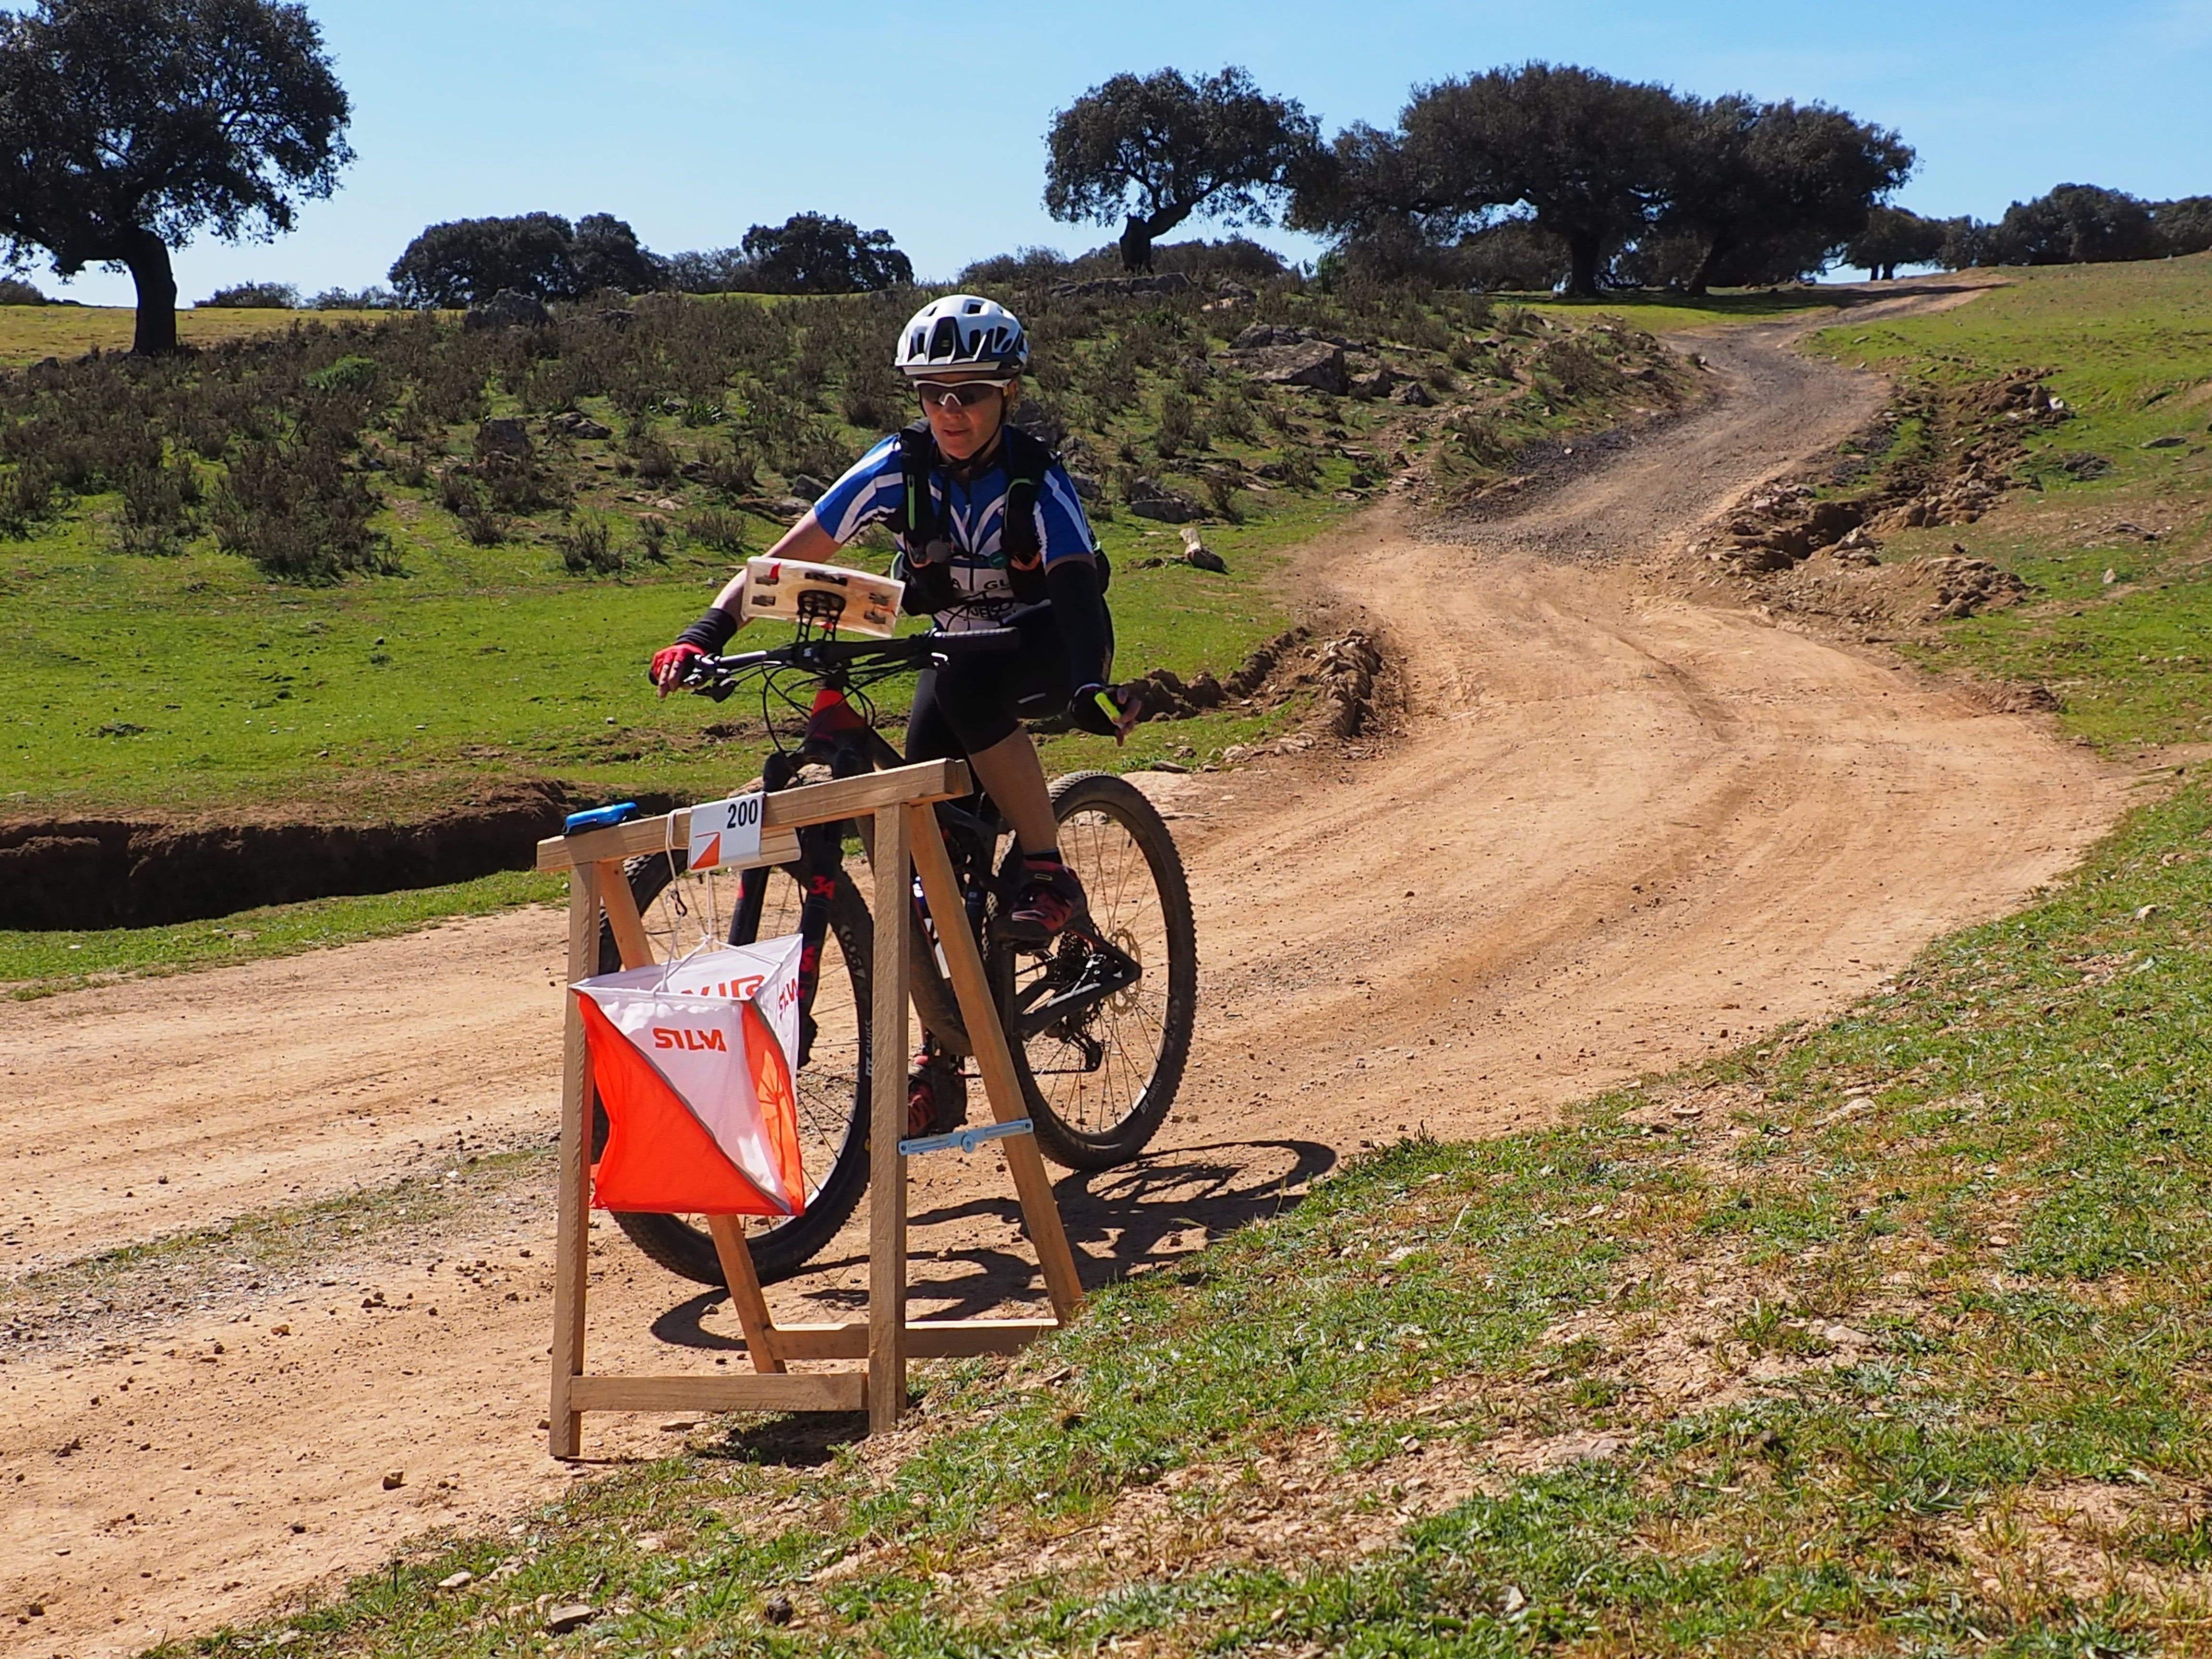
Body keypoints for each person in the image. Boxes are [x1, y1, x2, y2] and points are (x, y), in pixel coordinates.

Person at [649, 295, 1138, 1127]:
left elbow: (1075, 588)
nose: (951, 411)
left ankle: (1046, 867)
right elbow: (787, 560)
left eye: (971, 393)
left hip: (1050, 640)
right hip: (955, 648)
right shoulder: (896, 468)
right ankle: (941, 1056)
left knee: (969, 692)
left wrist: (1090, 682)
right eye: (933, 393)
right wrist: (704, 634)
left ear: (1007, 394)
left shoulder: (1035, 476)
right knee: (923, 845)